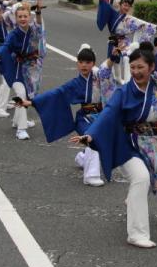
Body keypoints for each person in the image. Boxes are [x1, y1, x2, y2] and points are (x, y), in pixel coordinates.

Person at [78, 31, 157, 248]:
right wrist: (92, 134)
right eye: (133, 67)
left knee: (148, 178)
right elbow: (108, 113)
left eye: (141, 67)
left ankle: (134, 200)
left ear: (152, 67)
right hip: (130, 142)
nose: (136, 72)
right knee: (141, 178)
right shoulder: (124, 91)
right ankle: (137, 233)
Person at [24, 44, 118, 186]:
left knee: (107, 142)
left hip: (101, 116)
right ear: (77, 63)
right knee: (93, 138)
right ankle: (90, 175)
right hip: (85, 117)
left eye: (87, 62)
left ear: (93, 63)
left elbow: (107, 68)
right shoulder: (75, 83)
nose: (84, 65)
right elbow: (57, 93)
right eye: (81, 62)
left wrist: (113, 57)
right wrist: (32, 102)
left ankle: (82, 158)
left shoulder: (98, 75)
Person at [0, 2, 47, 140]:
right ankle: (21, 129)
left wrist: (39, 13)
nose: (23, 19)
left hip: (31, 68)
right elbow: (5, 46)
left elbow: (39, 25)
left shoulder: (33, 30)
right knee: (21, 95)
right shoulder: (13, 34)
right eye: (20, 17)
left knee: (29, 95)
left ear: (29, 17)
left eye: (25, 16)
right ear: (16, 19)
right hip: (17, 68)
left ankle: (17, 121)